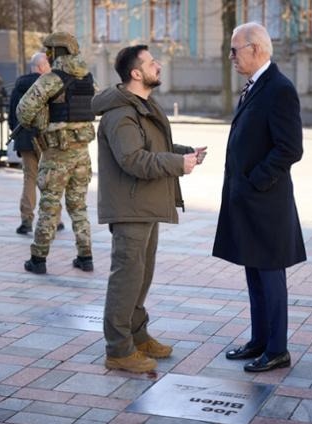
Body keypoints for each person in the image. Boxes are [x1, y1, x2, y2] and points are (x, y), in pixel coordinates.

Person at [92, 45, 206, 373]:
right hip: (130, 207)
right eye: (151, 62)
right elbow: (132, 160)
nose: (158, 64)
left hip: (145, 204)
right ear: (136, 73)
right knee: (126, 278)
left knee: (141, 276)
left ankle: (138, 335)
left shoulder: (141, 104)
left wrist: (185, 153)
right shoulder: (121, 113)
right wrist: (176, 164)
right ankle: (117, 349)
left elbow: (152, 147)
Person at [213, 23, 305, 373]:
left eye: (235, 50)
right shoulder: (255, 86)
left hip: (266, 202)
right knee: (254, 273)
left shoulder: (279, 89)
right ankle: (259, 340)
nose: (231, 56)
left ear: (256, 49)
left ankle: (278, 348)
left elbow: (290, 148)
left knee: (270, 276)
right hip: (249, 201)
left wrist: (254, 182)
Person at [17, 32, 96, 275]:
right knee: (79, 206)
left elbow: (24, 110)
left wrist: (40, 123)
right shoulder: (88, 79)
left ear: (55, 53)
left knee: (50, 206)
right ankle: (86, 257)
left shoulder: (52, 79)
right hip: (82, 153)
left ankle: (38, 259)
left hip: (56, 155)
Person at [8, 52, 64, 235]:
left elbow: (11, 116)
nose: (50, 69)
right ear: (40, 67)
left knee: (29, 179)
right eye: (48, 66)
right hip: (46, 139)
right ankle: (56, 219)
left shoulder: (18, 86)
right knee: (50, 180)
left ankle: (26, 220)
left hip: (24, 138)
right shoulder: (48, 86)